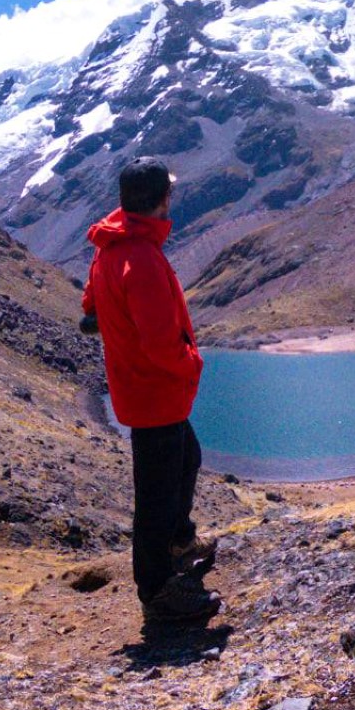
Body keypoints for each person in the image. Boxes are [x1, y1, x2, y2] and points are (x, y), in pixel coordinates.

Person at [79, 157, 221, 626]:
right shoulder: (137, 257)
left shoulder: (113, 247)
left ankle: (180, 542)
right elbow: (161, 341)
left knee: (187, 459)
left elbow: (90, 306)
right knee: (156, 497)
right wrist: (192, 363)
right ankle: (157, 592)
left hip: (148, 391)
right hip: (155, 390)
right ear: (162, 199)